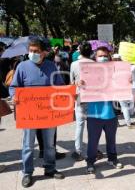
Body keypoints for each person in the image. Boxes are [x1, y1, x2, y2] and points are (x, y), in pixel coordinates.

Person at [9, 38, 65, 188]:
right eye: (31, 51)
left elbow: (59, 85)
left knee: (49, 144)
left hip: (49, 113)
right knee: (28, 145)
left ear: (43, 53)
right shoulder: (22, 66)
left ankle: (50, 168)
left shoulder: (51, 66)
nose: (33, 54)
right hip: (29, 114)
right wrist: (14, 96)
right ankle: (27, 172)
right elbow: (13, 87)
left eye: (36, 51)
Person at [82, 46, 123, 174]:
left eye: (105, 55)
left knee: (111, 139)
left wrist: (127, 82)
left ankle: (112, 159)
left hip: (110, 113)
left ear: (109, 57)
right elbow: (82, 89)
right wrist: (80, 85)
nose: (103, 58)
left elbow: (122, 88)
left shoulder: (115, 71)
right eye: (100, 56)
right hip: (94, 114)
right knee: (93, 141)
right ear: (95, 57)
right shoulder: (89, 72)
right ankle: (90, 162)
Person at [70, 42, 95, 161]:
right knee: (92, 125)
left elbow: (71, 83)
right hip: (94, 97)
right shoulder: (95, 64)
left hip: (80, 97)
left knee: (79, 125)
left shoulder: (74, 64)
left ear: (79, 51)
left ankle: (78, 150)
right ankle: (94, 149)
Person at [112, 53, 135, 129]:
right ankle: (128, 123)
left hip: (115, 89)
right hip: (122, 89)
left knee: (116, 107)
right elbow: (130, 79)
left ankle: (116, 123)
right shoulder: (125, 67)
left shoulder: (112, 67)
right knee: (124, 106)